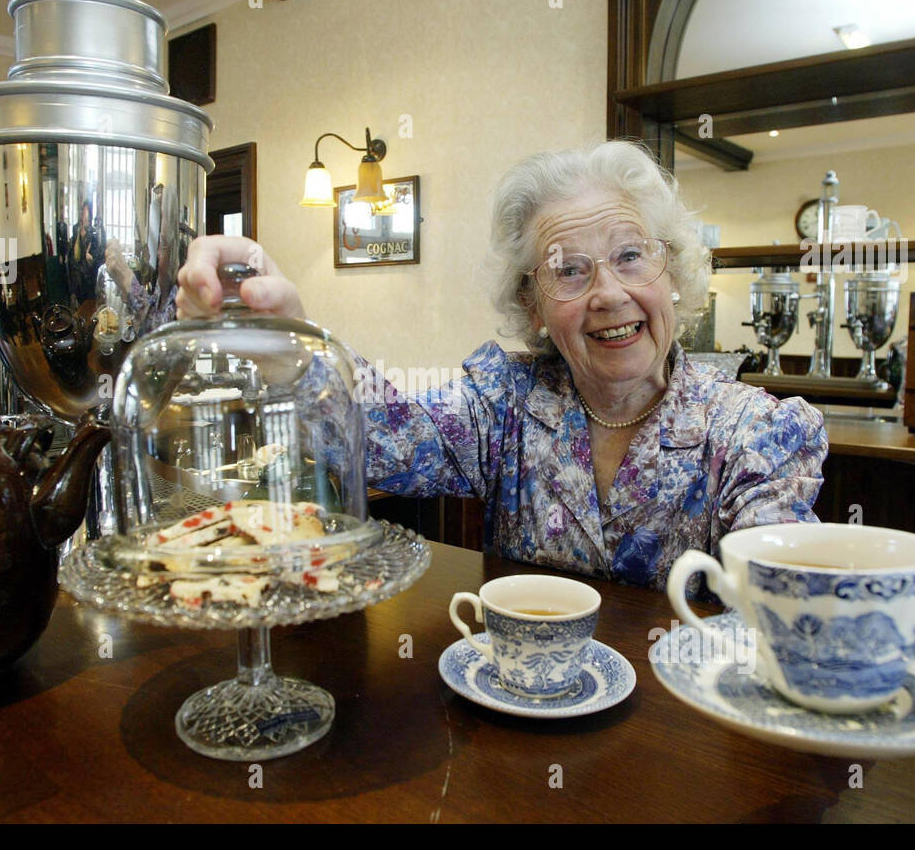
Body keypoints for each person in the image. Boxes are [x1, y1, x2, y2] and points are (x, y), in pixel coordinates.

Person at [173, 140, 828, 591]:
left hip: (677, 755)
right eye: (568, 269)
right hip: (515, 728)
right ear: (533, 303)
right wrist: (282, 331)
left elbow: (790, 590)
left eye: (631, 255)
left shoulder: (755, 433)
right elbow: (368, 426)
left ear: (672, 273)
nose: (607, 292)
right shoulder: (505, 402)